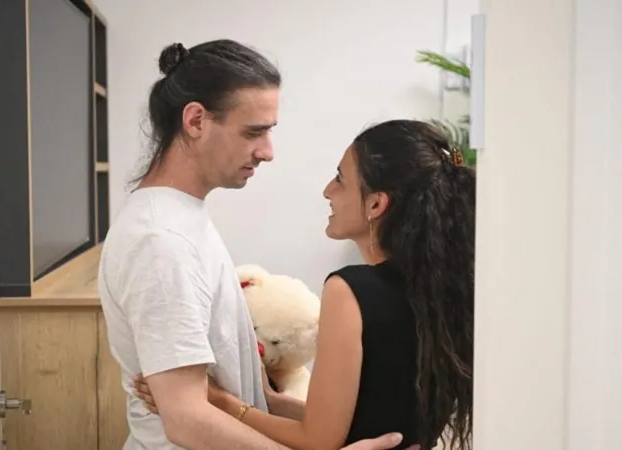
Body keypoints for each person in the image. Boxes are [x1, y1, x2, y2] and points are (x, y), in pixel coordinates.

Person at [97, 38, 418, 450]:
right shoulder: (162, 242)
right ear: (195, 121)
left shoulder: (182, 220)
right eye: (254, 132)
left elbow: (220, 397)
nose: (267, 152)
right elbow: (187, 420)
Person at [134, 119, 476, 449]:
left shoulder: (351, 291)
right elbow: (355, 420)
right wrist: (268, 400)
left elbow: (319, 440)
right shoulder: (440, 290)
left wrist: (219, 402)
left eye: (340, 179)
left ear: (375, 204)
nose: (328, 190)